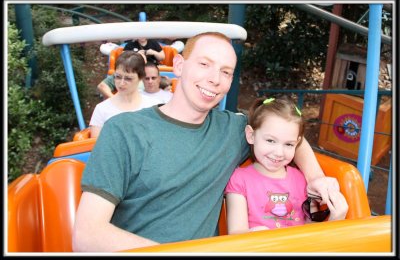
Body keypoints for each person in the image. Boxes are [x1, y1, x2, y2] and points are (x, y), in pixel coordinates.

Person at [73, 32, 341, 252]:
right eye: (204, 64)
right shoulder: (124, 131)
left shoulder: (232, 130)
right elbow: (87, 236)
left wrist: (315, 177)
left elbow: (292, 135)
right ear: (179, 65)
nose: (214, 78)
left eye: (226, 72)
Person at [224, 97, 348, 234]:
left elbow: (311, 231)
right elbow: (235, 232)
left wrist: (335, 219)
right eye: (270, 140)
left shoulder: (302, 180)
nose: (279, 153)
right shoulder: (239, 179)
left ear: (298, 143)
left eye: (288, 144)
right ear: (251, 135)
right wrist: (256, 235)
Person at [89, 51, 161, 138]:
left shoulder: (153, 106)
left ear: (141, 78)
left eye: (128, 78)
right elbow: (97, 147)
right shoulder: (102, 109)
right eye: (118, 77)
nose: (121, 83)